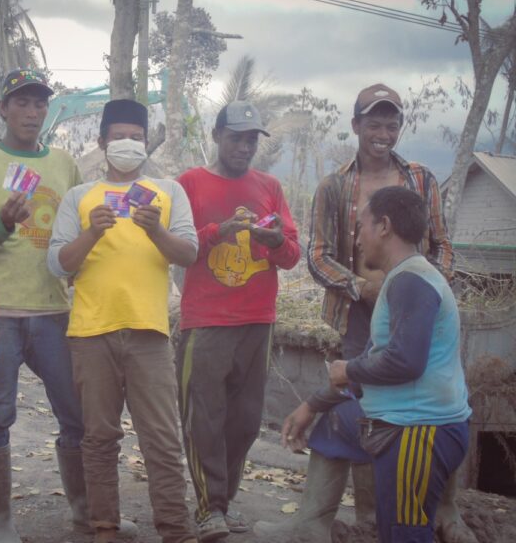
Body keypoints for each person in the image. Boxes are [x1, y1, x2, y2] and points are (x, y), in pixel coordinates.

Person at [264, 83, 474, 543]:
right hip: (360, 310)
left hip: (413, 306)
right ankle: (350, 521)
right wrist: (361, 287)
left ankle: (437, 512)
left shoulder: (420, 180)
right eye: (374, 124)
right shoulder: (335, 185)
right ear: (356, 125)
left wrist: (423, 289)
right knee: (358, 408)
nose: (383, 133)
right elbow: (318, 255)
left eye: (391, 124)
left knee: (409, 409)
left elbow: (442, 245)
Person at [0, 69, 134, 543]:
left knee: (75, 415)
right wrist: (2, 223)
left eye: (39, 104)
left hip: (54, 313)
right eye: (22, 103)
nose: (32, 112)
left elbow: (76, 237)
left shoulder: (64, 164)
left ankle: (83, 511)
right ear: (3, 108)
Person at [47, 99, 199, 543]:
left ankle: (176, 529)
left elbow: (189, 254)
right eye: (119, 137)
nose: (128, 144)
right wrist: (92, 231)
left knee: (162, 439)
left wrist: (155, 230)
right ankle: (104, 528)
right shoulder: (80, 197)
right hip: (91, 333)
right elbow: (57, 264)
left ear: (147, 142)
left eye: (136, 137)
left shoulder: (167, 192)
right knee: (98, 438)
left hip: (149, 333)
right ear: (102, 142)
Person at [175, 101, 301, 541]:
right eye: (236, 138)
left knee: (245, 421)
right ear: (216, 136)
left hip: (257, 320)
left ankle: (222, 502)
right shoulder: (189, 184)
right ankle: (209, 508)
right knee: (204, 419)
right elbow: (177, 248)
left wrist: (274, 241)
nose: (244, 147)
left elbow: (291, 254)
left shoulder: (270, 186)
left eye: (251, 140)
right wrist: (218, 232)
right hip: (206, 321)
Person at [326, 185, 471, 543]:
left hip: (417, 432)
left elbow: (405, 361)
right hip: (412, 427)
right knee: (332, 423)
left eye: (361, 227)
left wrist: (348, 370)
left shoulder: (411, 281)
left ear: (384, 226)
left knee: (405, 535)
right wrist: (315, 402)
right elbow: (379, 354)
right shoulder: (405, 277)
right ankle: (310, 520)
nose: (357, 240)